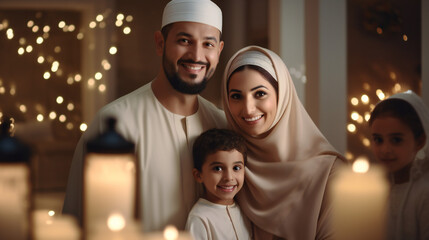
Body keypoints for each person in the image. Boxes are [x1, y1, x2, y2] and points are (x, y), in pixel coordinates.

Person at [62, 0, 226, 231]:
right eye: (184, 41)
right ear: (160, 43)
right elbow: (76, 222)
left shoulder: (222, 124)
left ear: (218, 51)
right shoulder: (114, 123)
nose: (196, 55)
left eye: (208, 44)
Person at [221, 46, 346, 239]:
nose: (248, 109)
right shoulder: (230, 168)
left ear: (282, 95)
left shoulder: (330, 173)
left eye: (260, 94)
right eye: (236, 96)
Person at [369, 91, 429, 240]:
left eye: (396, 140)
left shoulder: (424, 192)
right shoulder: (372, 189)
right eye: (378, 140)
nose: (385, 150)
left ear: (420, 141)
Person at [185, 128, 253, 240]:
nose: (229, 177)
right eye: (218, 168)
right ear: (198, 175)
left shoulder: (244, 210)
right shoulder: (200, 218)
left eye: (236, 168)